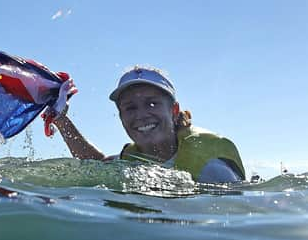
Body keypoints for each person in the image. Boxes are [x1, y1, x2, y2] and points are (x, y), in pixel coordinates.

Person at [49, 66, 245, 183]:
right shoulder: (133, 158)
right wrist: (61, 119)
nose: (141, 115)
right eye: (130, 108)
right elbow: (94, 163)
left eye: (152, 104)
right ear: (120, 116)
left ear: (174, 111)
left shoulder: (212, 168)